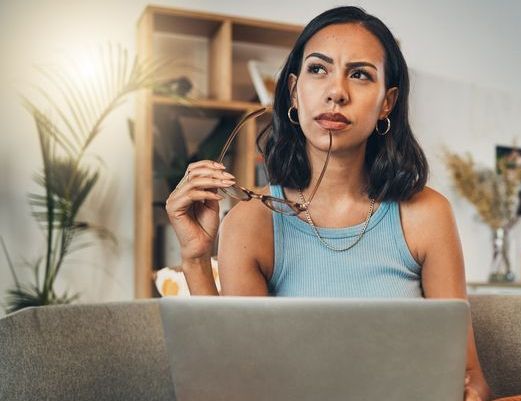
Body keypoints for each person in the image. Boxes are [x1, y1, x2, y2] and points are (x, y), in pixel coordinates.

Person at [165, 6, 491, 401]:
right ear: (293, 91)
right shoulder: (252, 222)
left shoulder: (426, 215)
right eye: (318, 69)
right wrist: (197, 259)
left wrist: (469, 392)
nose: (337, 91)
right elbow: (238, 382)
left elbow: (470, 374)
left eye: (360, 74)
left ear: (387, 103)